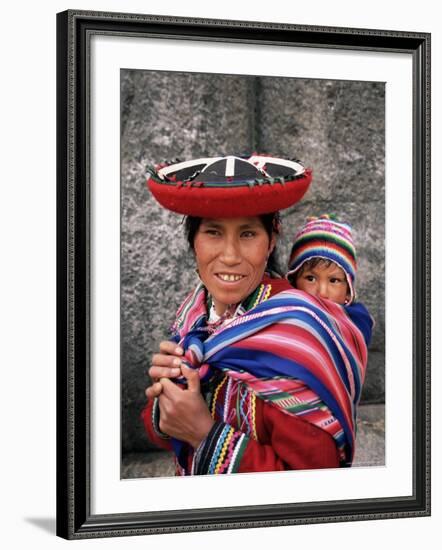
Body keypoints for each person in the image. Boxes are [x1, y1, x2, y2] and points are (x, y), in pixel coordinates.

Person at [141, 155, 373, 475]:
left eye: (248, 234)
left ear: (271, 240)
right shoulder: (195, 313)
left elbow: (315, 485)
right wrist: (166, 393)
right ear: (193, 242)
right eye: (213, 232)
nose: (230, 256)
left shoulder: (295, 330)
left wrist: (205, 435)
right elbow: (163, 430)